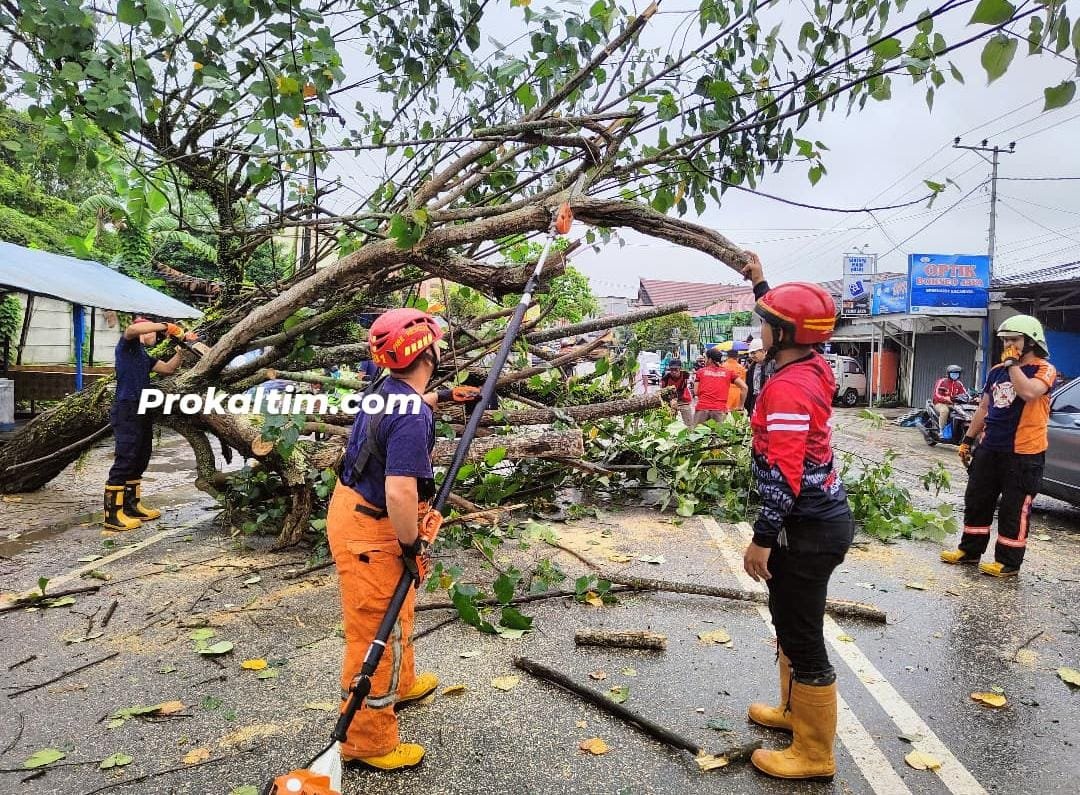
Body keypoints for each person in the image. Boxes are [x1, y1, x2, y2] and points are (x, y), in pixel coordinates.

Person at [740, 253, 853, 782]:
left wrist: (762, 538)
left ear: (784, 334)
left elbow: (786, 475)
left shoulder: (788, 388)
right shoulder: (809, 363)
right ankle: (792, 712)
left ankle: (814, 752)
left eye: (767, 323)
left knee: (802, 635)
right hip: (813, 521)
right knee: (787, 619)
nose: (760, 329)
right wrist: (761, 284)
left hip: (805, 526)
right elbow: (792, 321)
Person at [327, 308, 444, 771]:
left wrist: (440, 398)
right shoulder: (410, 418)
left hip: (356, 509)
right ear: (427, 354)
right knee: (375, 629)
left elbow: (407, 405)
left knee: (398, 609)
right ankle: (367, 741)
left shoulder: (386, 389)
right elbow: (400, 492)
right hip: (373, 525)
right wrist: (412, 545)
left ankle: (402, 683)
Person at [940, 315, 1056, 578]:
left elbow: (1028, 392)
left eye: (1014, 340)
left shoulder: (1044, 369)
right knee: (977, 500)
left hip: (1024, 453)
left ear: (1031, 342)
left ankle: (1008, 562)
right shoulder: (996, 371)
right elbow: (984, 408)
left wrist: (1012, 365)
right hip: (990, 447)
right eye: (1004, 341)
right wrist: (968, 440)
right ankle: (969, 551)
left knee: (1013, 509)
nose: (1008, 345)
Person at [103, 317, 193, 531]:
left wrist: (181, 351)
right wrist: (167, 327)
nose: (156, 336)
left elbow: (168, 369)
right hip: (127, 407)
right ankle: (112, 515)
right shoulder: (127, 346)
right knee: (126, 457)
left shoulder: (143, 355)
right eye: (153, 331)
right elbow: (132, 329)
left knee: (141, 456)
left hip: (143, 407)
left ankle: (132, 506)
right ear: (145, 331)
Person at [693, 347, 746, 426]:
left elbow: (695, 392)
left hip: (702, 409)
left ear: (710, 359)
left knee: (698, 433)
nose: (705, 360)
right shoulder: (729, 372)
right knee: (719, 433)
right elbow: (744, 387)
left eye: (705, 358)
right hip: (720, 410)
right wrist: (741, 406)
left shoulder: (701, 372)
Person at [931, 364, 968, 438]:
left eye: (957, 373)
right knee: (945, 411)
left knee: (963, 413)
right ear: (948, 374)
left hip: (954, 404)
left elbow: (965, 394)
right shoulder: (942, 381)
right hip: (940, 403)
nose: (955, 375)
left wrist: (970, 397)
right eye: (953, 373)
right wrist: (946, 399)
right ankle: (941, 431)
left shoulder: (959, 384)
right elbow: (936, 394)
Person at [744, 338, 774, 415]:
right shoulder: (752, 368)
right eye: (751, 353)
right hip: (755, 400)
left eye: (754, 353)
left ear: (763, 351)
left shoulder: (773, 365)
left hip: (768, 401)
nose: (752, 356)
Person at [661, 358, 693, 426]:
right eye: (671, 369)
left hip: (684, 401)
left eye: (676, 369)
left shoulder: (685, 375)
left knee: (689, 422)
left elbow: (686, 387)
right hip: (670, 401)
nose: (674, 372)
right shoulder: (665, 379)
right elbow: (663, 393)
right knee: (668, 423)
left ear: (680, 369)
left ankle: (690, 430)